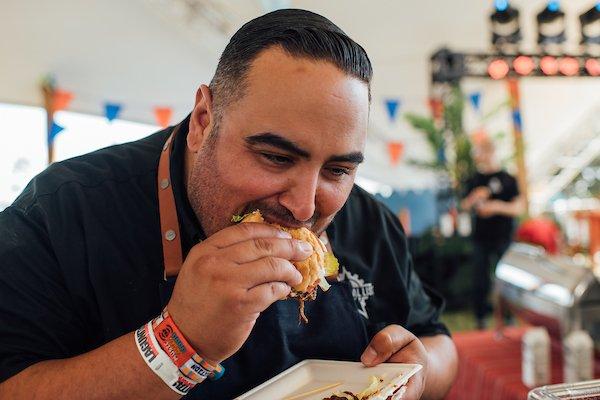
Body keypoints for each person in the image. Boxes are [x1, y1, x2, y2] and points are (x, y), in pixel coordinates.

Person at [0, 9, 457, 399]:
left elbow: (437, 340)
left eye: (338, 170)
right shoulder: (64, 211)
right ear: (203, 120)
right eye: (276, 157)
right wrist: (177, 341)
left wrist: (414, 376)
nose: (303, 208)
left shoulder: (368, 220)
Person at [461, 137, 524, 329]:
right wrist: (475, 197)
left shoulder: (508, 178)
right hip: (481, 238)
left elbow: (518, 208)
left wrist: (495, 206)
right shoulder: (474, 180)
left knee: (506, 278)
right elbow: (463, 206)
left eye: (483, 151)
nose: (481, 156)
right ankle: (481, 317)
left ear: (492, 152)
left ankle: (509, 317)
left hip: (504, 237)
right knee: (480, 279)